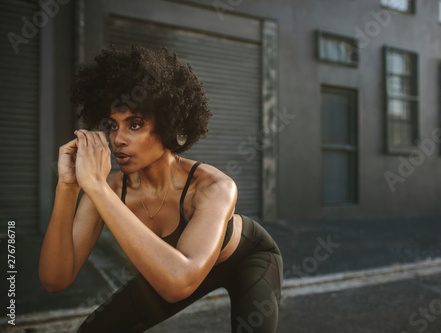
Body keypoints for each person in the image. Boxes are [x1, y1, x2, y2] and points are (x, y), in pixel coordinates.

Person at [38, 45, 283, 332]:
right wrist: (68, 187)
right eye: (113, 126)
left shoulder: (213, 186)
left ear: (170, 124)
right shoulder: (110, 188)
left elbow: (179, 283)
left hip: (246, 259)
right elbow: (55, 280)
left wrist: (96, 186)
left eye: (135, 124)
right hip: (173, 272)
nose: (117, 139)